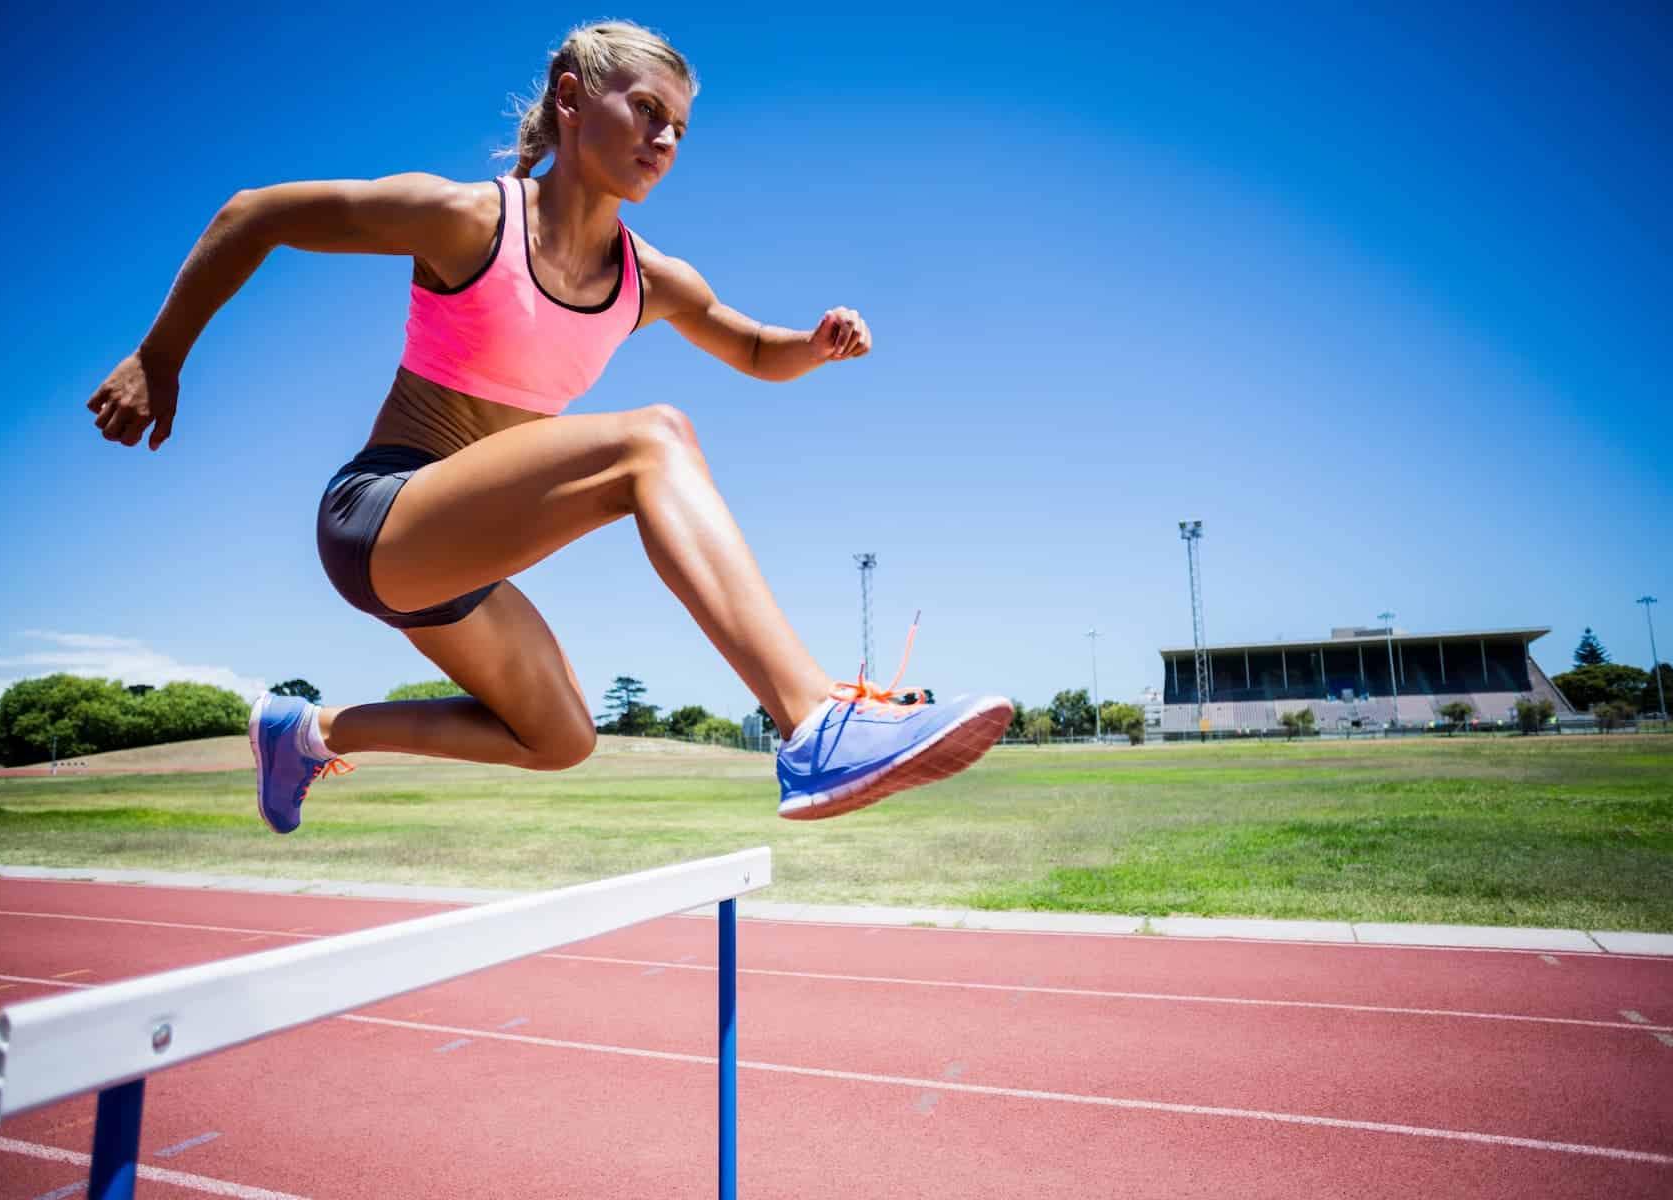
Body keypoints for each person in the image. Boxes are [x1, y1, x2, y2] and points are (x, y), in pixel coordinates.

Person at [86, 19, 1012, 833]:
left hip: (461, 560)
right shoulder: (466, 221)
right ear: (571, 98)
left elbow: (756, 350)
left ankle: (309, 731)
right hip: (382, 512)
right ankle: (815, 724)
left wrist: (814, 343)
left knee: (560, 737)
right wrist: (157, 358)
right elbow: (258, 214)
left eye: (681, 129)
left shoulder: (654, 279)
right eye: (648, 110)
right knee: (654, 438)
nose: (666, 138)